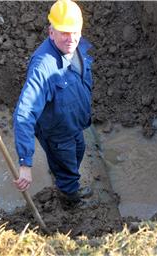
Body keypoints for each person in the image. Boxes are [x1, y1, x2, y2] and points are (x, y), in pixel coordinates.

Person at [13, 0, 94, 208]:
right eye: (64, 32)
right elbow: (24, 113)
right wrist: (25, 163)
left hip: (73, 124)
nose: (71, 38)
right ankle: (70, 202)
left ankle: (66, 182)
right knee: (66, 168)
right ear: (51, 32)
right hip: (57, 132)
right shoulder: (43, 67)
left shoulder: (78, 48)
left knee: (78, 152)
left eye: (75, 32)